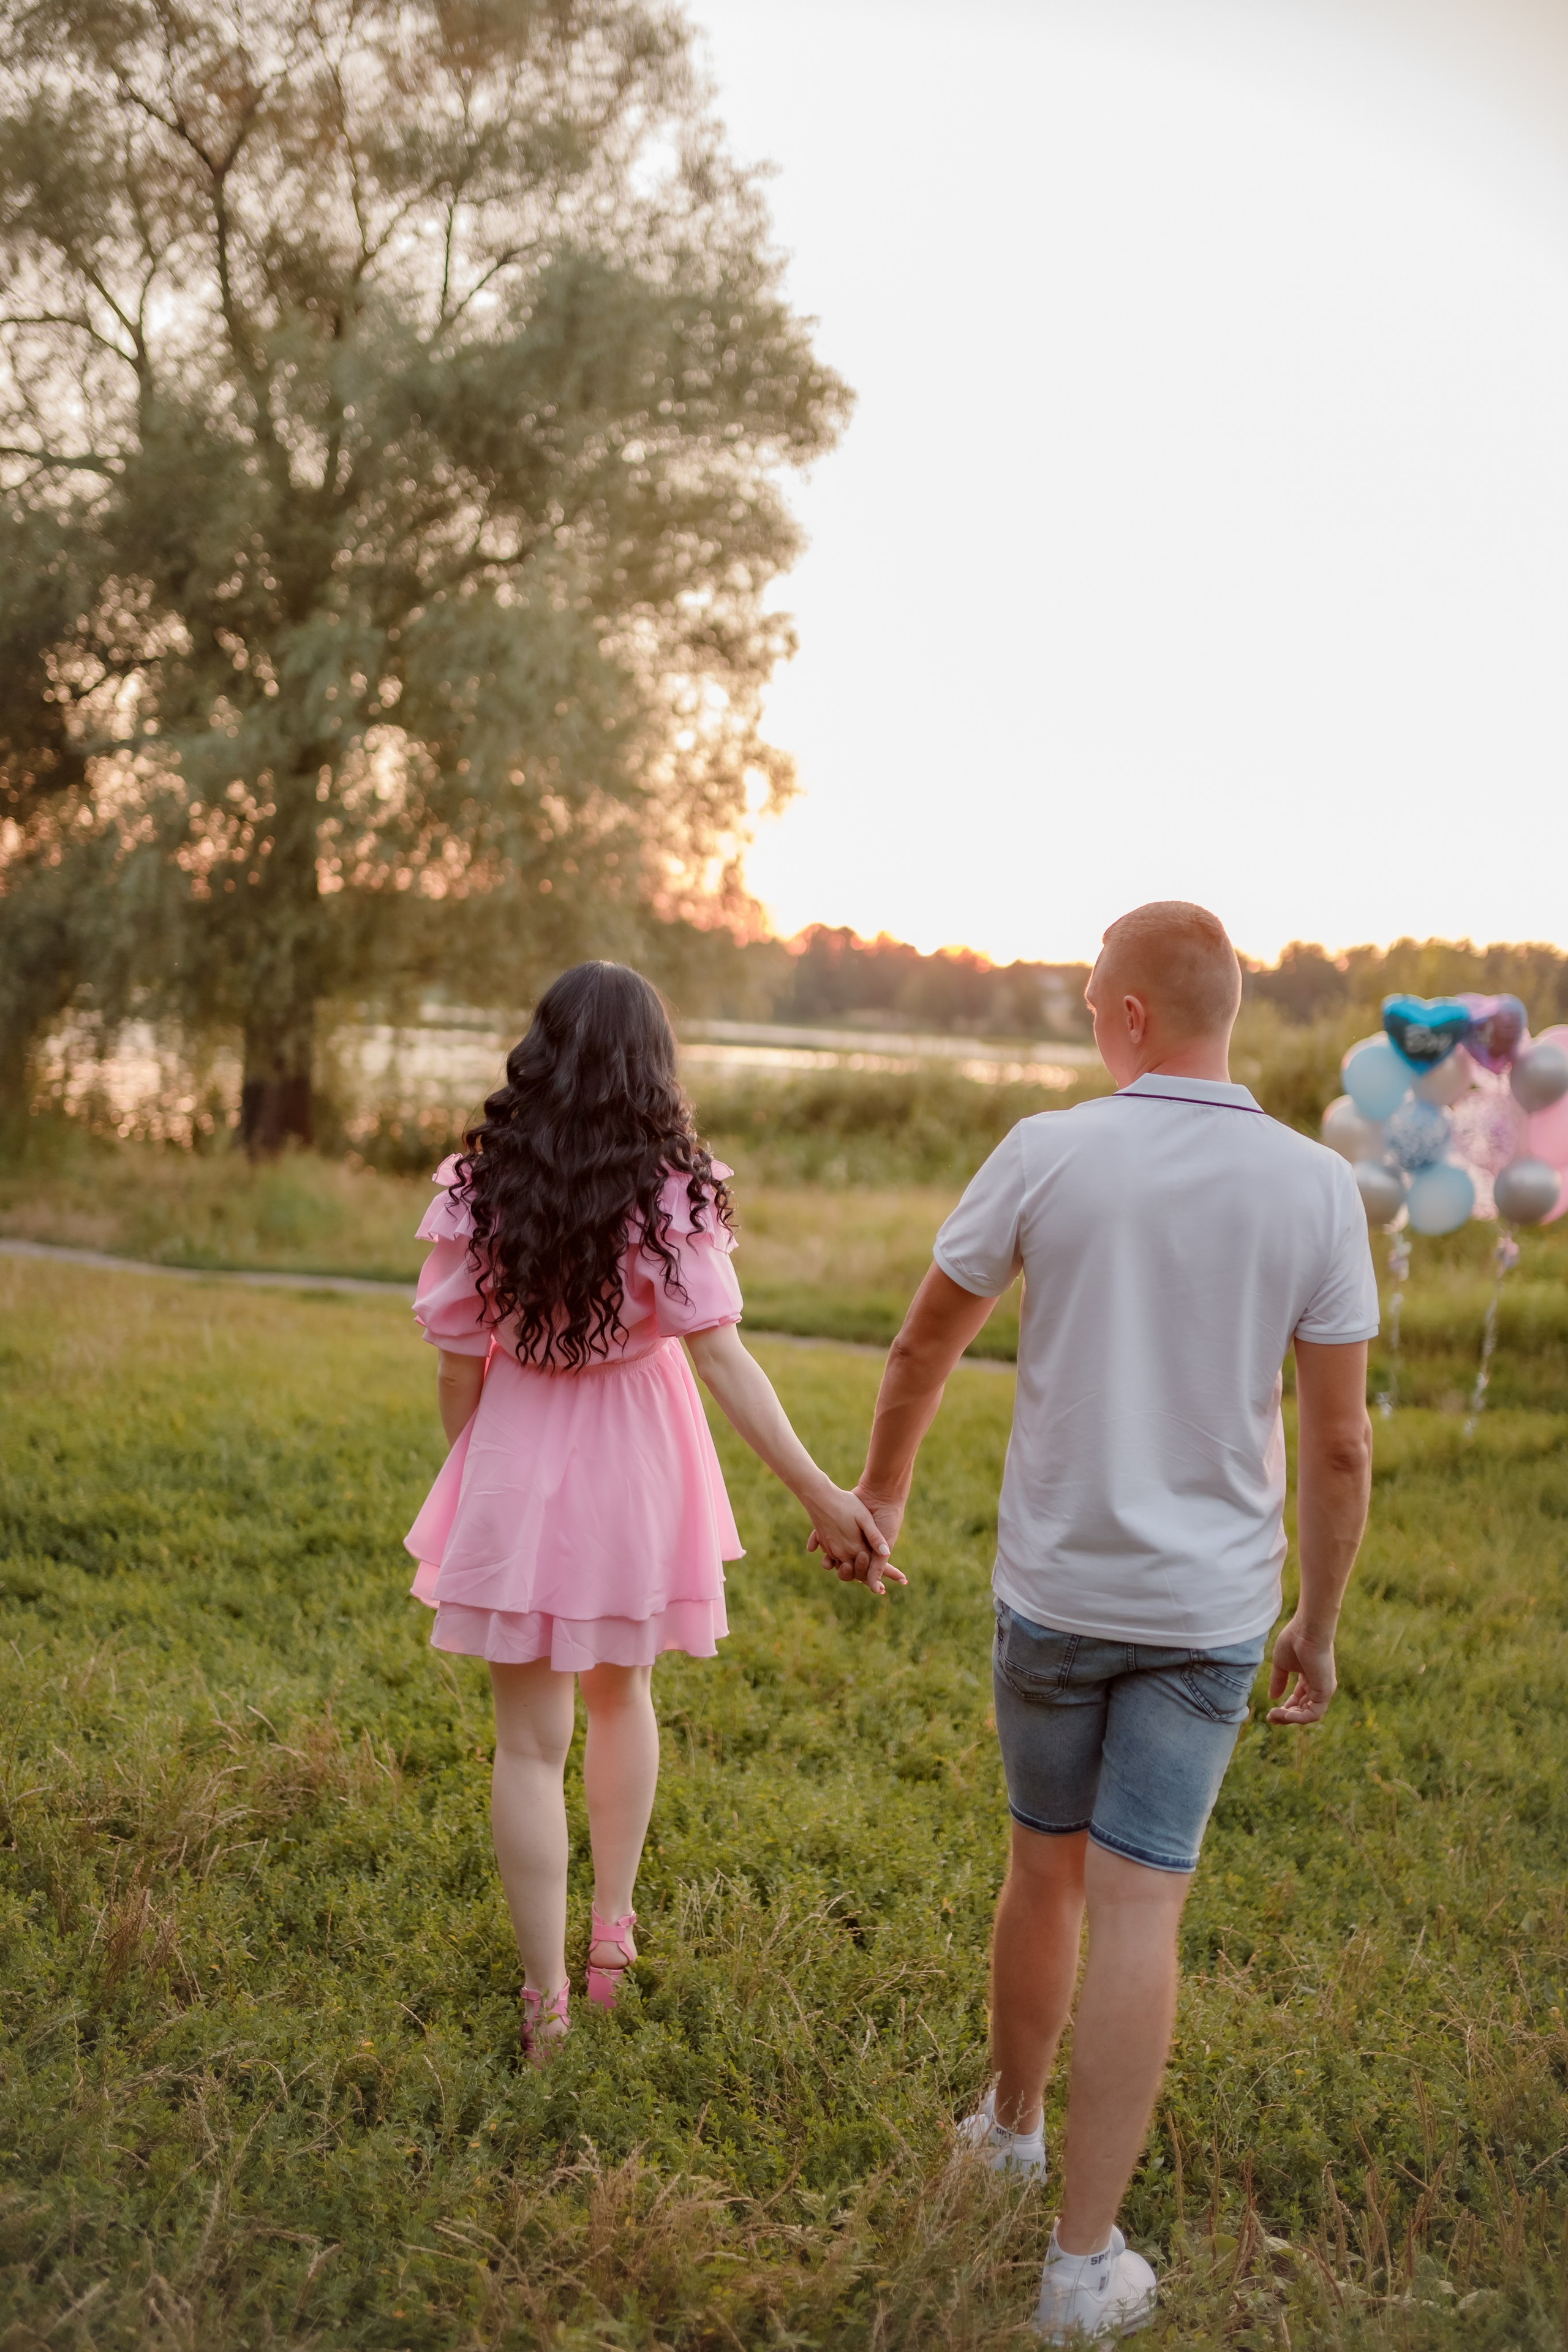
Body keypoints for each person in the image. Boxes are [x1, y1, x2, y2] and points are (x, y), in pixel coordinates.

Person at [836, 902, 1376, 2342]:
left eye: (1091, 1003)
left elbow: (921, 1342)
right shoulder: (1315, 1187)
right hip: (1207, 1617)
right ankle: (1079, 2269)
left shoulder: (1046, 1151)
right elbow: (1337, 1446)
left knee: (1044, 1869)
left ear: (1133, 1015)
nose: (1088, 1023)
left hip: (1056, 1596)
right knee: (1142, 1907)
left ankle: (1010, 2133)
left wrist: (880, 1493)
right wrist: (1315, 1624)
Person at [404, 962, 897, 2064]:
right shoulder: (674, 1190)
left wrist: (478, 1474)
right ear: (652, 1065)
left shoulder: (481, 1185)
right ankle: (610, 1938)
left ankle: (546, 2004)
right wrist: (820, 1493)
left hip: (516, 1450)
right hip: (636, 1459)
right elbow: (723, 1360)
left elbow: (455, 1362)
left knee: (526, 1745)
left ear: (539, 1051)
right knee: (623, 1694)